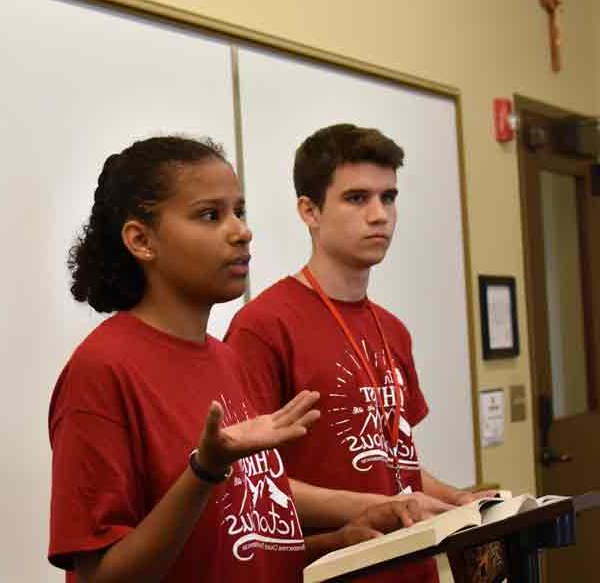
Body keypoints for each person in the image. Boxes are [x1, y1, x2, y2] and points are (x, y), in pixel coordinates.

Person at [48, 136, 421, 583]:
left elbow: (241, 546)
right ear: (141, 240)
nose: (241, 231)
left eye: (239, 211)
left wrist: (335, 543)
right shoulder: (103, 369)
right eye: (210, 215)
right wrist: (203, 470)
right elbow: (101, 575)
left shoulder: (226, 359)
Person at [225, 124, 495, 582]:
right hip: (334, 568)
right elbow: (251, 485)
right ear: (309, 210)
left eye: (388, 197)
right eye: (357, 198)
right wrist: (379, 506)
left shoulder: (392, 329)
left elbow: (395, 465)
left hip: (414, 568)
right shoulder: (263, 326)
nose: (379, 215)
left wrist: (459, 501)